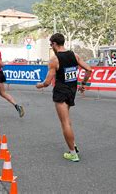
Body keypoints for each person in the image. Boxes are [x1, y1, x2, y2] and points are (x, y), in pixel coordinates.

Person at [36, 33, 92, 162]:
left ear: (55, 44)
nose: (51, 46)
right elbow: (89, 69)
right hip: (72, 90)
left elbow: (47, 82)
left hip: (61, 91)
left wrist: (39, 85)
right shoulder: (74, 55)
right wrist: (83, 84)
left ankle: (73, 153)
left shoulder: (54, 59)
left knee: (65, 122)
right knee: (67, 120)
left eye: (51, 44)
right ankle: (73, 145)